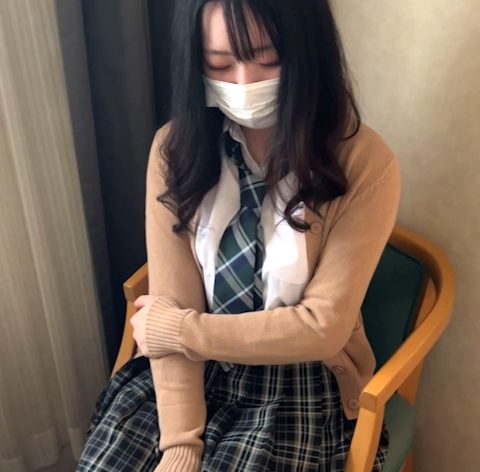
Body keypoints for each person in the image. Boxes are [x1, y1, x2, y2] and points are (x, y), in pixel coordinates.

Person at [77, 0, 401, 471]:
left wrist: (182, 331)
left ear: (308, 54)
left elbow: (321, 328)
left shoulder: (363, 161)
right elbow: (173, 299)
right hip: (188, 370)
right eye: (220, 65)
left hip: (296, 378)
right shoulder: (174, 150)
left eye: (270, 61)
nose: (245, 83)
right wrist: (181, 446)